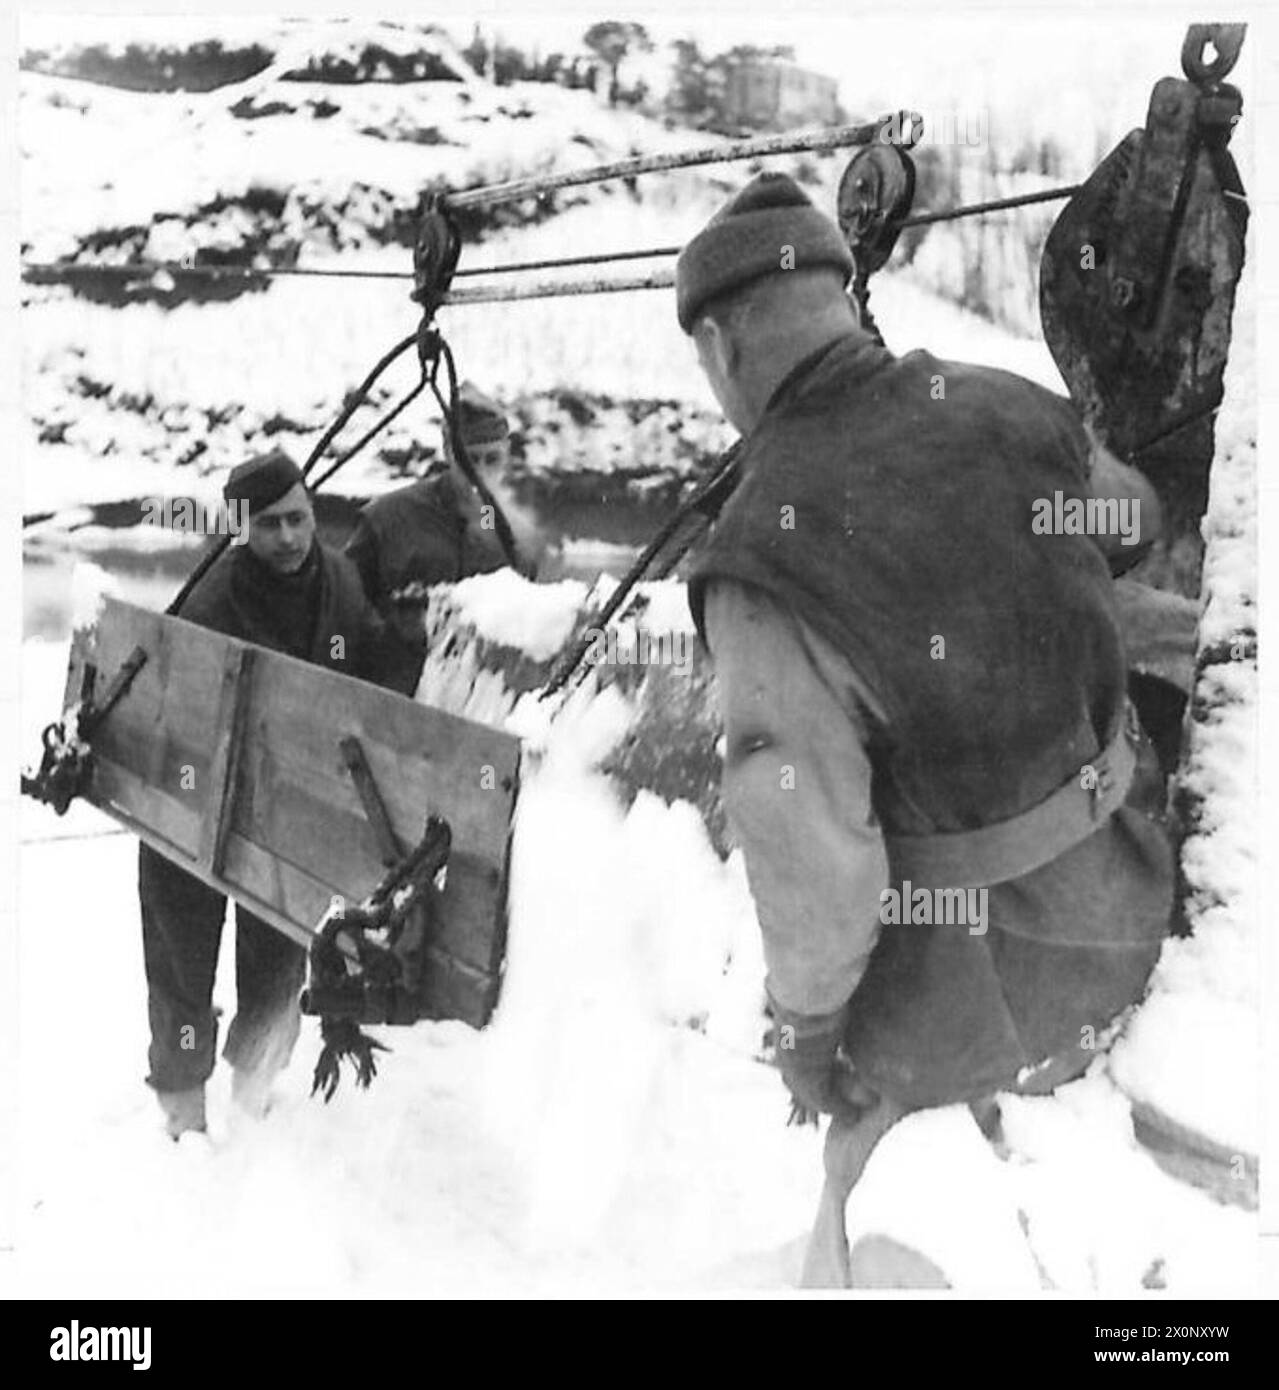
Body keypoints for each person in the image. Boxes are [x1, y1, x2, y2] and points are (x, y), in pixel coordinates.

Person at [676, 173, 1176, 1277]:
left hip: (988, 1006)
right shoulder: (1004, 405)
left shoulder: (762, 551)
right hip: (1135, 892)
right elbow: (1131, 519)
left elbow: (811, 855)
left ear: (717, 343)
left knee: (844, 1239)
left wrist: (807, 1043)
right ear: (845, 301)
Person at [141, 448, 427, 1139]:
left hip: (287, 808)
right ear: (242, 529)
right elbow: (172, 703)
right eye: (268, 526)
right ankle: (182, 1107)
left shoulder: (338, 582)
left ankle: (255, 1088)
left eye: (298, 519)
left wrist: (409, 639)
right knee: (182, 950)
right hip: (196, 796)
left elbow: (371, 673)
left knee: (276, 949)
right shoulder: (213, 597)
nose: (289, 538)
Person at [344, 382, 544, 665]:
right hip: (389, 687)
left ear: (507, 453)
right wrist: (392, 626)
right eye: (470, 460)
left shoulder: (518, 540)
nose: (481, 472)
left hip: (471, 696)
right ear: (448, 451)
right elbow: (336, 619)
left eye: (492, 459)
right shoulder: (387, 519)